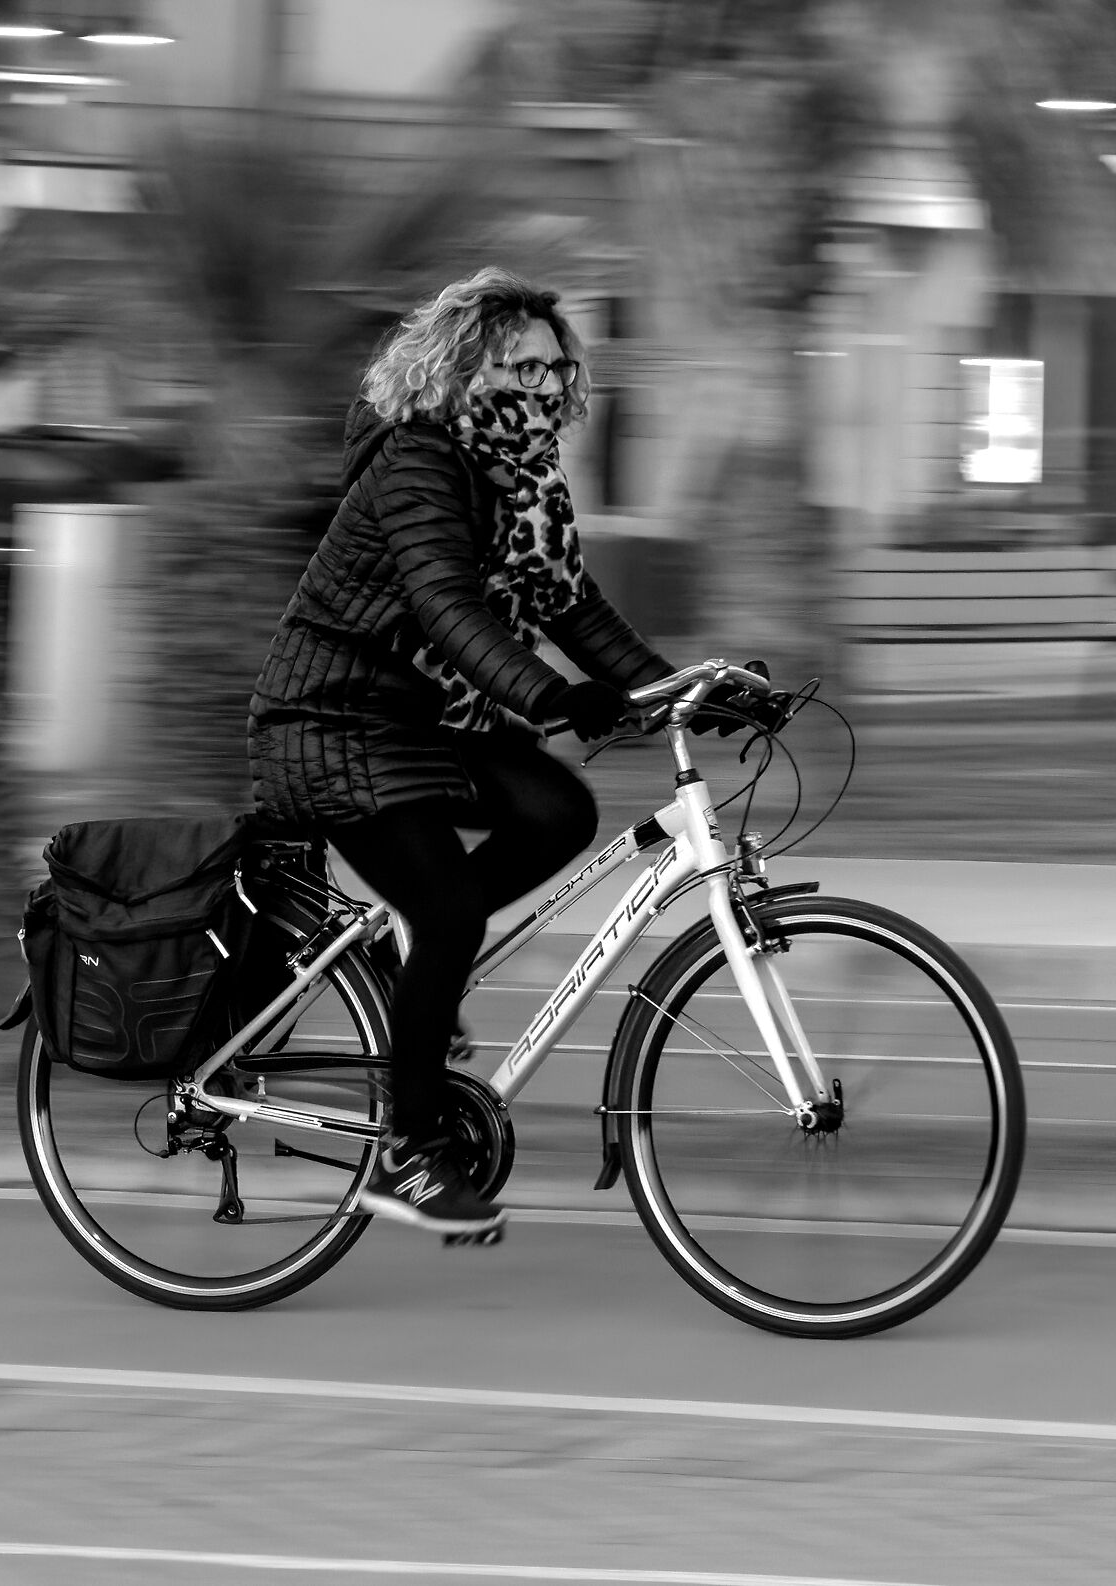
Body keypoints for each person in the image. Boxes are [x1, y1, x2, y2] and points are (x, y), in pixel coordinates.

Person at [248, 269, 701, 1239]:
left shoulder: (527, 478)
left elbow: (571, 607)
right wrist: (549, 695)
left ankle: (397, 949)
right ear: (463, 369)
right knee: (449, 911)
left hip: (428, 723)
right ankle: (408, 1153)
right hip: (335, 719)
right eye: (518, 365)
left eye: (555, 366)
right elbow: (445, 604)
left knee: (559, 810)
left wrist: (686, 689)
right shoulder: (418, 463)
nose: (542, 385)